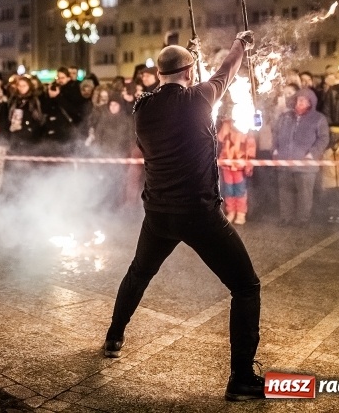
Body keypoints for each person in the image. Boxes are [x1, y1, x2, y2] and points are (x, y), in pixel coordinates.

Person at [103, 31, 267, 402]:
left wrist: (192, 62)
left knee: (138, 272)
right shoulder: (199, 98)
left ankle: (114, 335)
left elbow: (181, 96)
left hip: (159, 212)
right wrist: (241, 43)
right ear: (190, 73)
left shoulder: (142, 108)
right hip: (199, 213)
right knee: (246, 287)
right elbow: (225, 72)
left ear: (159, 75)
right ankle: (241, 377)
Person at [272, 88, 330, 227]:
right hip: (284, 162)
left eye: (304, 100)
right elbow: (276, 134)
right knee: (285, 192)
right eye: (299, 99)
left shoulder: (318, 119)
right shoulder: (285, 117)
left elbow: (323, 139)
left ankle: (302, 219)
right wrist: (274, 150)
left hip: (306, 165)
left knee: (304, 194)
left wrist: (311, 154)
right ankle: (286, 217)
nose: (301, 102)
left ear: (311, 102)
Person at [217, 116, 257, 225]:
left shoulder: (246, 129)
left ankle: (241, 213)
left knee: (240, 190)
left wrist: (249, 164)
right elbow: (220, 138)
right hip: (227, 165)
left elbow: (251, 147)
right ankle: (231, 211)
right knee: (229, 190)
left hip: (240, 166)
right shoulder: (227, 126)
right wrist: (225, 125)